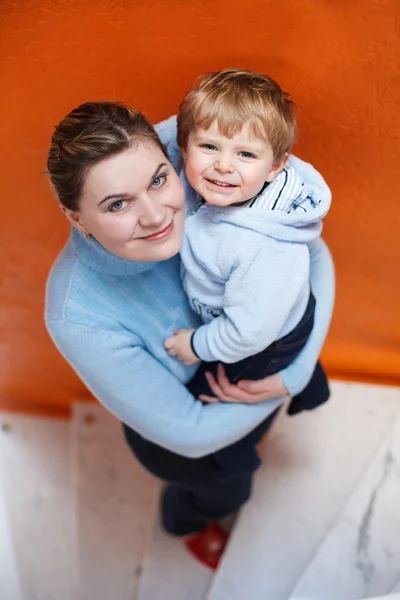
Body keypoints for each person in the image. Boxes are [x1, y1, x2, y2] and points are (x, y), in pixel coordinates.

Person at [45, 101, 334, 561]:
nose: (156, 216)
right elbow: (190, 434)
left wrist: (292, 377)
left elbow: (314, 258)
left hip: (262, 368)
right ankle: (185, 522)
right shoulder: (77, 313)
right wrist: (277, 390)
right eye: (117, 204)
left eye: (159, 181)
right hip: (190, 433)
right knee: (226, 492)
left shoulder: (201, 162)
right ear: (77, 218)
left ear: (169, 157)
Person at [164, 69, 331, 416]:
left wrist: (196, 345)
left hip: (265, 339)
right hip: (266, 305)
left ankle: (234, 464)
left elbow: (247, 334)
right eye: (209, 146)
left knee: (213, 393)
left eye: (245, 155)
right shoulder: (206, 180)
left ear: (275, 167)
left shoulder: (262, 250)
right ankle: (313, 384)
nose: (223, 165)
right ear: (184, 148)